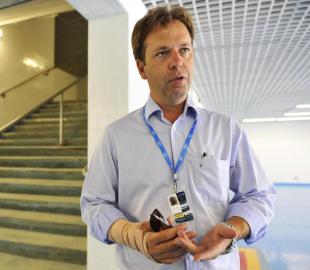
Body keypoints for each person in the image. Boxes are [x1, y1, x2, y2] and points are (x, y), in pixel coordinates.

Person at [80, 5, 275, 270]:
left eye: (184, 50)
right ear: (142, 68)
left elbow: (258, 195)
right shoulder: (116, 137)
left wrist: (233, 228)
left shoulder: (226, 130)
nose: (177, 61)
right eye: (162, 53)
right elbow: (94, 204)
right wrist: (134, 236)